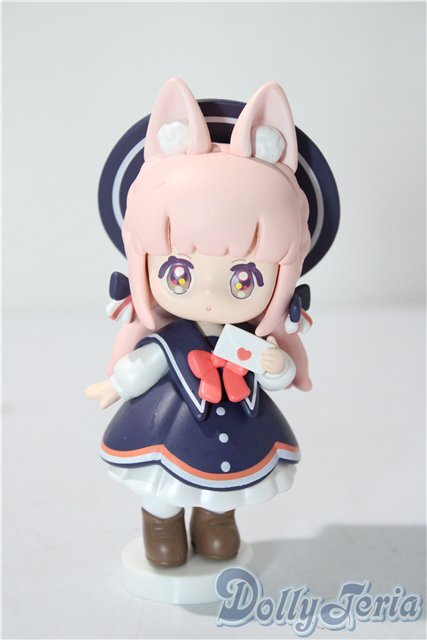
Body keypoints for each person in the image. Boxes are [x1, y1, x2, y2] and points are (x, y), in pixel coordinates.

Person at [86, 78, 312, 567]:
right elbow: (141, 367)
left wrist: (276, 365)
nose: (209, 293)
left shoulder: (245, 340)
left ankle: (216, 521)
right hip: (167, 426)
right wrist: (118, 383)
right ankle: (160, 523)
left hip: (241, 424)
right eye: (180, 273)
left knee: (224, 491)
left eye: (244, 278)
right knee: (161, 489)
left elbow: (276, 374)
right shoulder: (169, 340)